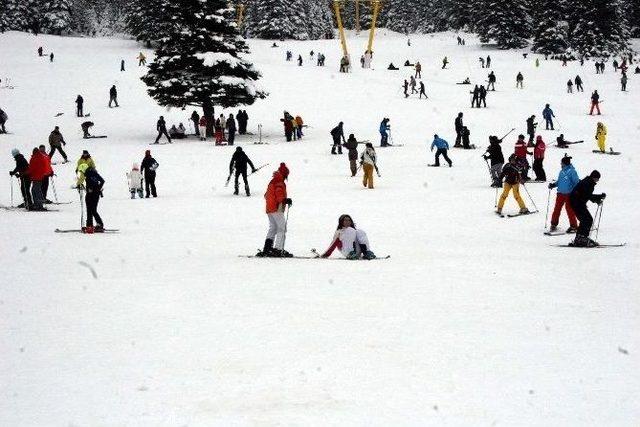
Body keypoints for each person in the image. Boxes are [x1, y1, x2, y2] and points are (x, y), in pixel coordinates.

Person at [258, 163, 292, 257]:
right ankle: (278, 249)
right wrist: (284, 200)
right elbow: (279, 194)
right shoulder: (279, 182)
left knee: (273, 228)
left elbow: (266, 195)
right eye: (286, 175)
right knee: (282, 228)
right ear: (284, 174)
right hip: (277, 208)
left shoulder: (272, 181)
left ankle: (267, 248)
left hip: (269, 208)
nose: (286, 177)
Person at [569, 170, 606, 247]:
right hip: (576, 202)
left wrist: (597, 199)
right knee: (587, 219)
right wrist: (599, 197)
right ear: (594, 177)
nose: (598, 180)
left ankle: (580, 237)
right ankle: (582, 238)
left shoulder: (588, 181)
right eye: (597, 178)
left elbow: (587, 195)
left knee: (585, 219)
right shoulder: (588, 183)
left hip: (577, 202)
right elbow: (587, 195)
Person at [548, 155, 579, 233]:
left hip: (569, 194)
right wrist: (553, 185)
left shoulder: (572, 171)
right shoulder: (561, 171)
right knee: (557, 209)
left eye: (561, 163)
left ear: (565, 163)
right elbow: (559, 181)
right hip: (560, 193)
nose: (560, 164)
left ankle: (574, 226)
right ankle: (553, 224)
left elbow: (576, 182)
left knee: (569, 209)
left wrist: (576, 192)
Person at [76, 163, 105, 233]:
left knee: (90, 210)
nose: (82, 172)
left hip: (91, 195)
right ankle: (99, 224)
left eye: (81, 171)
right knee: (93, 210)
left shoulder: (88, 174)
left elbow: (92, 184)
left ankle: (90, 226)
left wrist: (92, 189)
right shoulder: (94, 172)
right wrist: (97, 189)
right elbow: (102, 181)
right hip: (96, 194)